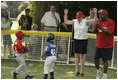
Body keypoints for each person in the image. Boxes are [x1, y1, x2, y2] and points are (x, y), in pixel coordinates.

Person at [64, 8, 97, 77]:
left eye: (79, 17)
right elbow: (66, 22)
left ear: (82, 16)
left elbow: (94, 20)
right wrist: (66, 14)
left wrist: (95, 13)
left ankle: (82, 71)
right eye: (77, 17)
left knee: (81, 56)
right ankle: (76, 70)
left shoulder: (86, 21)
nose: (78, 18)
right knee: (76, 55)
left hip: (83, 39)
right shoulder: (75, 21)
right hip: (76, 39)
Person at [92, 9, 115, 79]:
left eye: (102, 14)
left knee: (105, 60)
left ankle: (105, 76)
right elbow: (93, 32)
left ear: (106, 15)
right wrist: (96, 26)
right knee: (95, 59)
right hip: (98, 44)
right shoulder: (98, 21)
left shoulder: (111, 22)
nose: (100, 16)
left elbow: (109, 32)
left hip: (107, 45)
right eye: (99, 14)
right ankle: (98, 72)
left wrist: (100, 27)